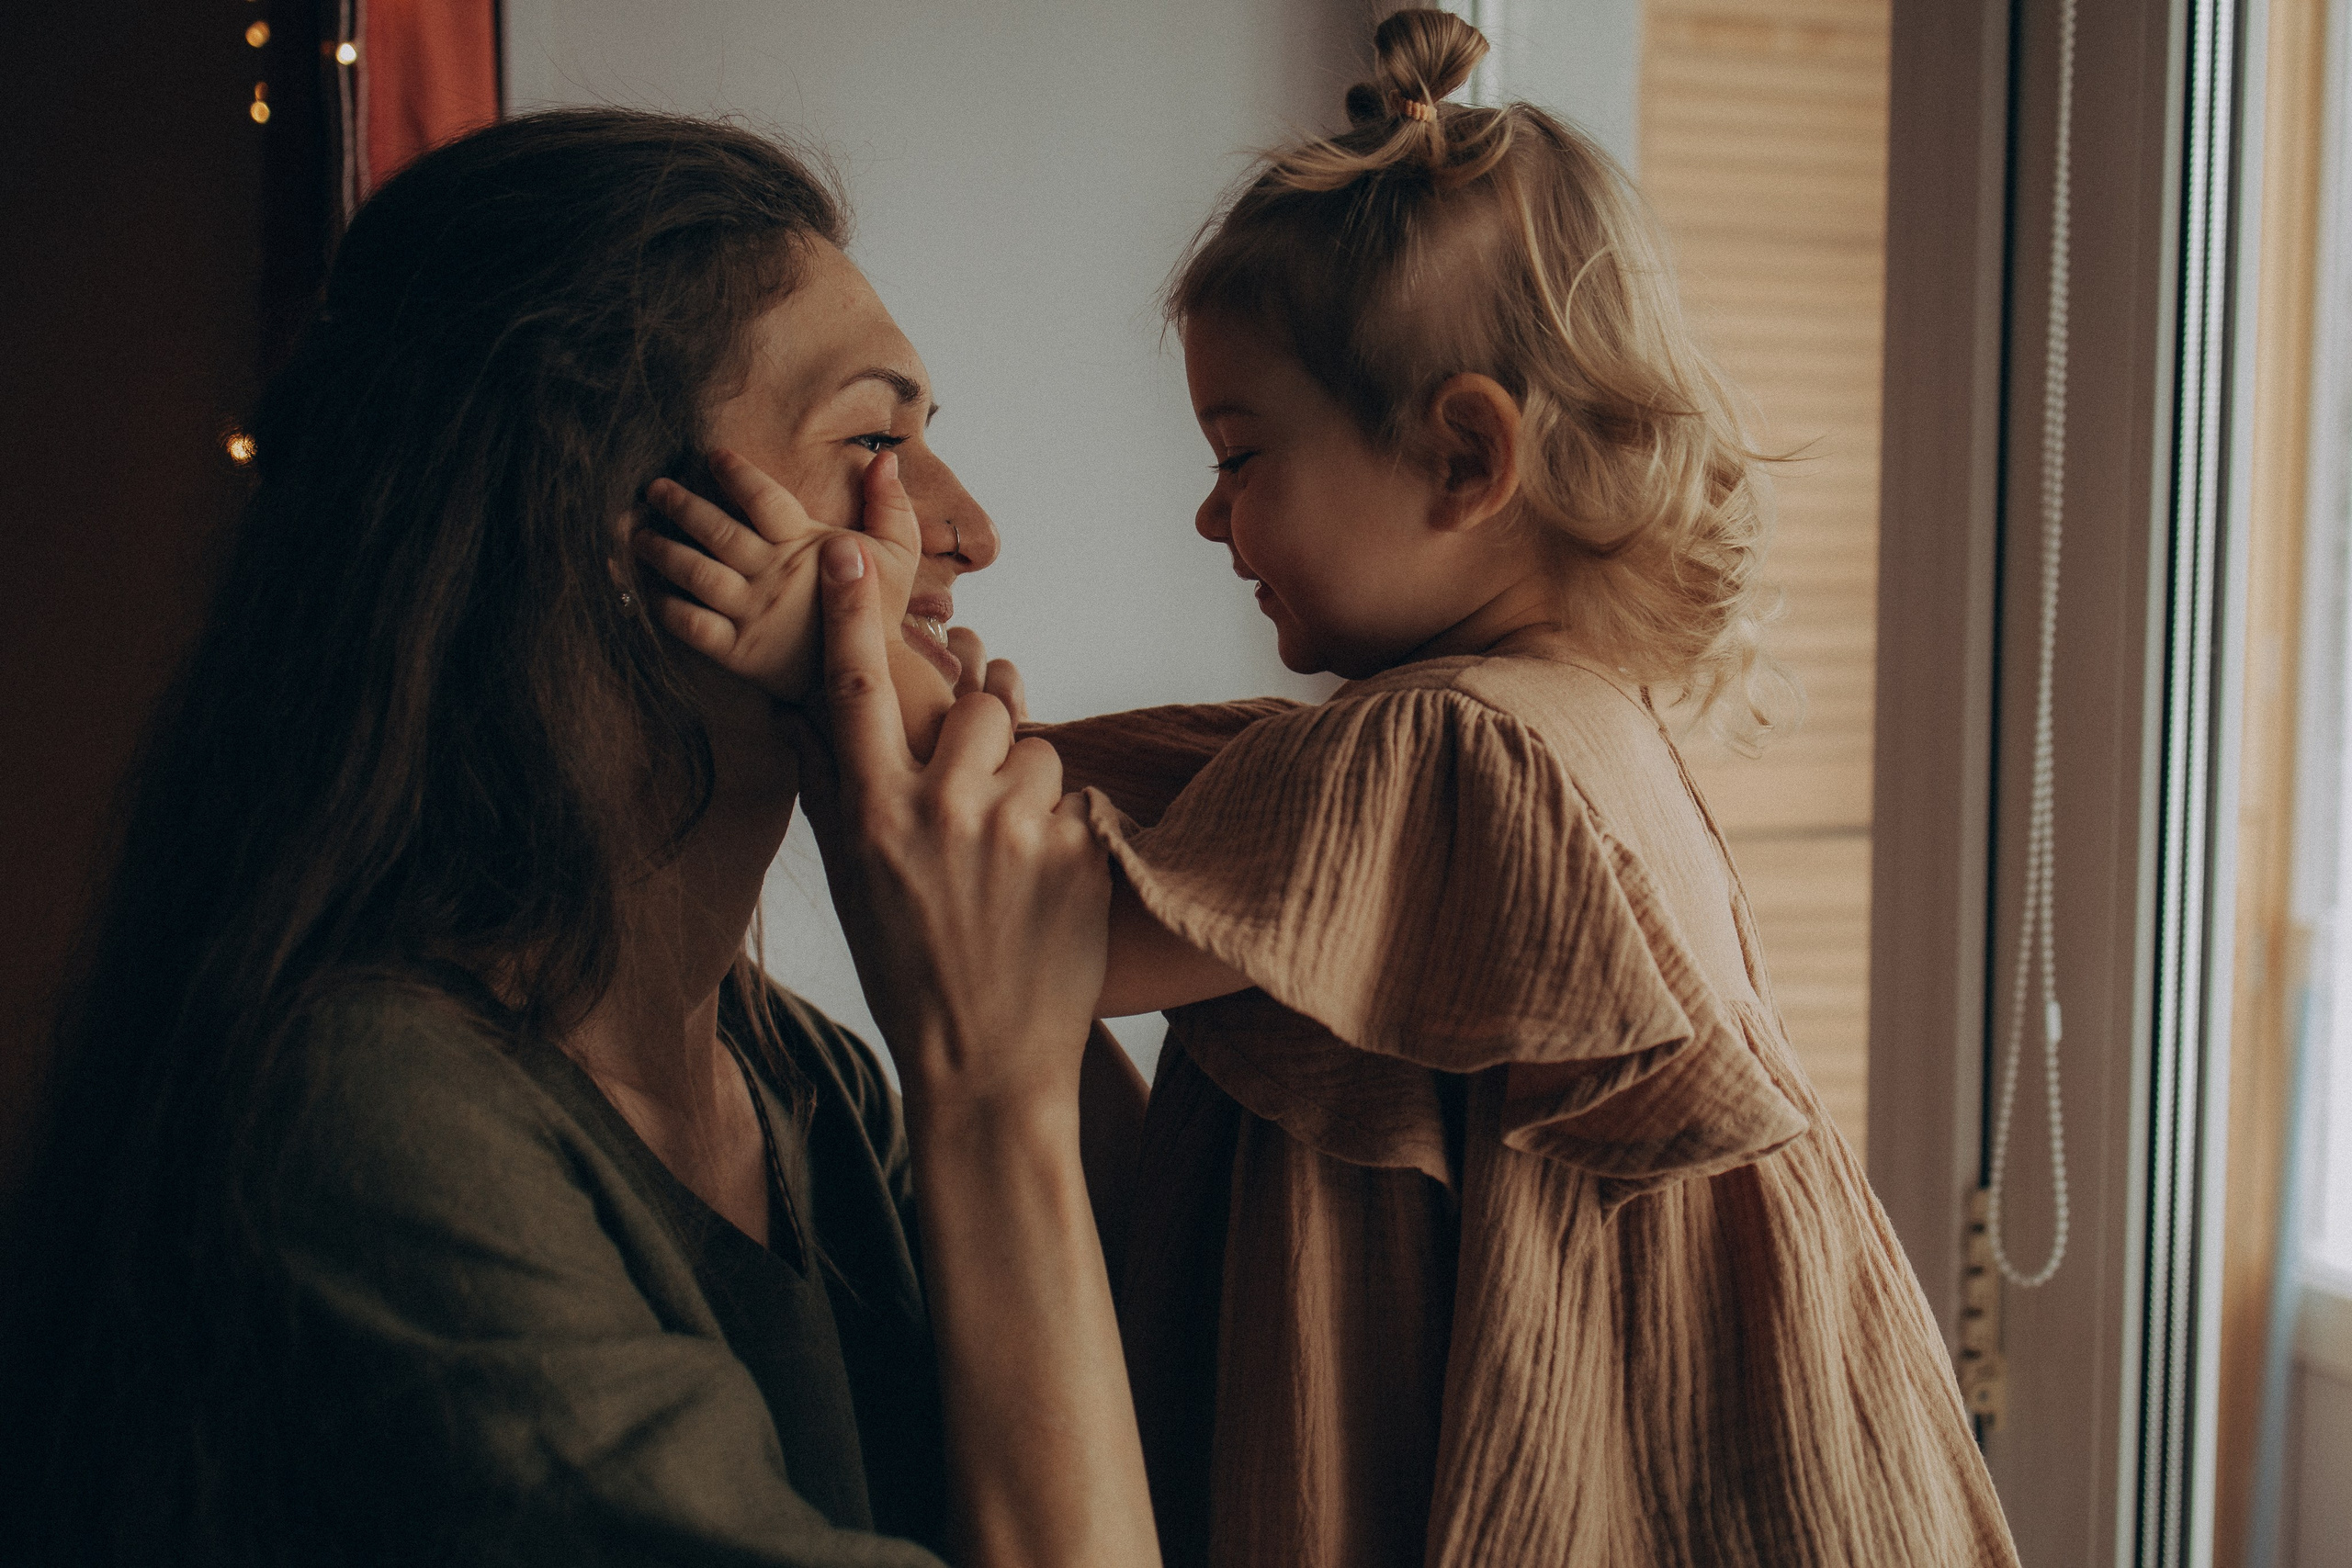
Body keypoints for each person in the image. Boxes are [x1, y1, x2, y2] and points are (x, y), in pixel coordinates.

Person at [650, 12, 2021, 1567]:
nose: (1209, 515)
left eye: (1242, 457)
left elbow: (1039, 916)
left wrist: (820, 643)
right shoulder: (1546, 732)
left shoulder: (1465, 758)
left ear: (1460, 459)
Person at [1, 108, 1157, 1568]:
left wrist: (1030, 980)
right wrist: (991, 1093)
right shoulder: (369, 1123)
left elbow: (1153, 1426)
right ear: (614, 530)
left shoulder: (810, 1083)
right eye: (875, 440)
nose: (966, 529)